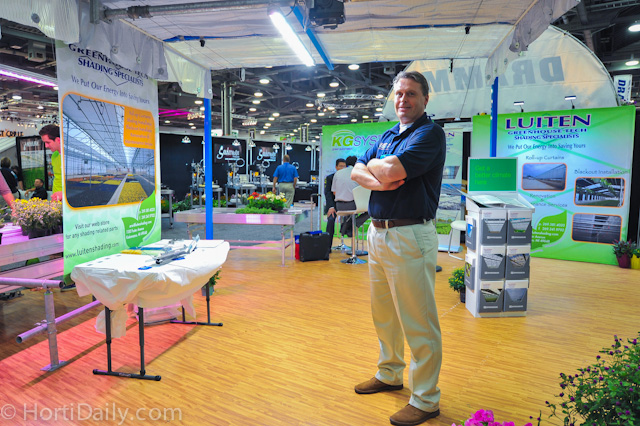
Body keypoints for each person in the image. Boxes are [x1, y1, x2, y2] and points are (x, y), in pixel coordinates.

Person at [351, 71, 446, 426]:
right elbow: (356, 171)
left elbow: (389, 168)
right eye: (399, 94)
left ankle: (425, 399)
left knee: (418, 320)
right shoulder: (389, 135)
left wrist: (378, 168)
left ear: (425, 99)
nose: (403, 100)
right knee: (384, 313)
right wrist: (379, 177)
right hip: (378, 233)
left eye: (411, 94)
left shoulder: (429, 134)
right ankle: (389, 373)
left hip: (410, 235)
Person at [331, 155, 369, 237]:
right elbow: (363, 191)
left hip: (339, 206)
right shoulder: (358, 173)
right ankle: (353, 225)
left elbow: (334, 192)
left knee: (350, 212)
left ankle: (347, 227)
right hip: (353, 205)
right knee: (370, 209)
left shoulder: (337, 173)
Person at [38, 124, 63, 202]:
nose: (46, 146)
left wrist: (64, 194)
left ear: (58, 140)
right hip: (56, 200)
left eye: (48, 142)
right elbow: (57, 179)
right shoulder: (54, 156)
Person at [324, 158, 346, 241]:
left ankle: (344, 236)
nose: (342, 168)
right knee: (330, 220)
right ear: (336, 167)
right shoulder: (330, 178)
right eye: (340, 166)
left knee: (349, 219)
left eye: (344, 166)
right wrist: (331, 207)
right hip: (333, 204)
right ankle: (327, 245)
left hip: (345, 204)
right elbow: (328, 193)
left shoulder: (348, 178)